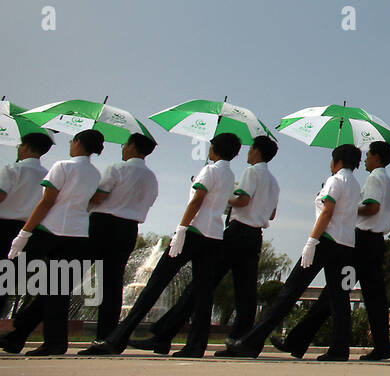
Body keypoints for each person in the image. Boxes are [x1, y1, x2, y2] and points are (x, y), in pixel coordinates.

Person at [84, 132, 240, 358]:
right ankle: (195, 346)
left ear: (214, 148)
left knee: (154, 286)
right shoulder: (229, 174)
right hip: (214, 236)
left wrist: (181, 229)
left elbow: (197, 200)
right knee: (203, 294)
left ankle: (117, 339)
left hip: (194, 232)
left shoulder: (210, 170)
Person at [137, 135, 280, 354]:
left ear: (258, 151)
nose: (248, 153)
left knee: (201, 286)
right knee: (246, 292)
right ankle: (241, 341)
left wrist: (222, 198)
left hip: (237, 233)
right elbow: (271, 213)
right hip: (255, 236)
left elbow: (242, 200)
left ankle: (164, 333)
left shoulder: (252, 172)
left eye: (251, 149)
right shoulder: (274, 181)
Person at [228, 144, 362, 360]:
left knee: (290, 291)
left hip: (325, 241)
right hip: (346, 245)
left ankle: (251, 342)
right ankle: (339, 349)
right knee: (339, 299)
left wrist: (311, 241)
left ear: (336, 161)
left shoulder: (335, 180)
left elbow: (327, 212)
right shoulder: (355, 184)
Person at [277, 140, 390, 361]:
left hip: (362, 242)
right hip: (376, 242)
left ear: (377, 157)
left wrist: (347, 208)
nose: (366, 159)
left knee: (335, 293)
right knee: (371, 297)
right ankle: (381, 346)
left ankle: (308, 343)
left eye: (369, 155)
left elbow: (372, 208)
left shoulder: (374, 179)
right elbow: (389, 214)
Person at [1, 130, 104, 356]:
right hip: (78, 234)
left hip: (51, 231)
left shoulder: (63, 166)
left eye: (71, 140)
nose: (70, 144)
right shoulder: (95, 173)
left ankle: (41, 337)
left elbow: (46, 202)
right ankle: (25, 337)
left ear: (78, 143)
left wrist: (24, 233)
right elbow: (93, 200)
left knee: (11, 278)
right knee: (56, 290)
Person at [84, 132, 160, 341]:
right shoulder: (151, 177)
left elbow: (100, 195)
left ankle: (36, 322)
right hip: (128, 229)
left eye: (126, 144)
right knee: (113, 283)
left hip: (103, 224)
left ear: (134, 147)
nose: (123, 147)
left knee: (72, 271)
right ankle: (106, 336)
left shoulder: (117, 168)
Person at [0, 132, 55, 319]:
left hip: (3, 226)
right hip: (29, 231)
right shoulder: (48, 176)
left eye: (20, 145)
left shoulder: (12, 169)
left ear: (27, 147)